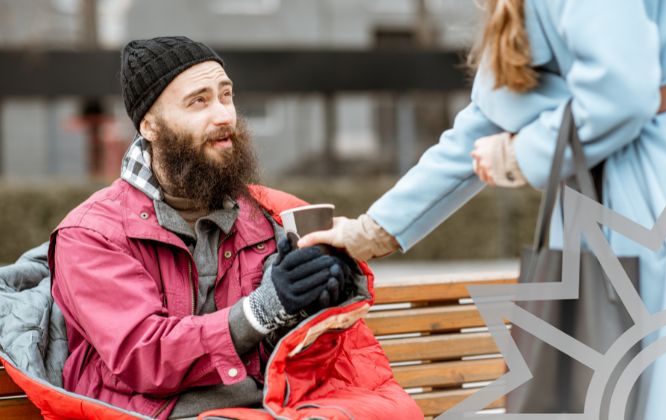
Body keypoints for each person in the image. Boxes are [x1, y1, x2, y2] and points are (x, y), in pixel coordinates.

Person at [299, 1, 666, 418]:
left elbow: (620, 93)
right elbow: (482, 124)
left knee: (660, 379)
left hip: (651, 185)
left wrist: (519, 154)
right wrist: (369, 231)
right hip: (619, 187)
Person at [47, 36, 415, 420]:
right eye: (199, 101)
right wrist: (262, 310)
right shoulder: (90, 234)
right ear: (151, 126)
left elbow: (306, 358)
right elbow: (144, 355)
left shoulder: (269, 213)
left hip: (273, 405)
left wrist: (315, 306)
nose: (224, 115)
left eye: (227, 95)